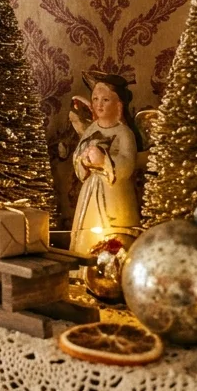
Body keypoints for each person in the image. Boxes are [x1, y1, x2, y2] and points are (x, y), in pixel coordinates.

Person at [69, 72, 143, 256]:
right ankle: (83, 269)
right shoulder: (92, 129)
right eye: (95, 99)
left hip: (115, 195)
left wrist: (104, 161)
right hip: (90, 189)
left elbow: (127, 164)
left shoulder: (124, 133)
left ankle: (114, 267)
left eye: (105, 100)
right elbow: (78, 152)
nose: (99, 104)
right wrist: (83, 160)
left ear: (118, 105)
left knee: (113, 235)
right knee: (87, 230)